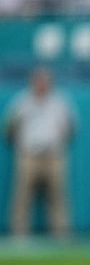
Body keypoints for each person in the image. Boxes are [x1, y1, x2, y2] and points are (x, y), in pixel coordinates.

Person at [3, 66, 77, 237]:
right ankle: (19, 234)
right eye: (38, 81)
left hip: (53, 155)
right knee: (22, 196)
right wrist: (20, 146)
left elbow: (71, 128)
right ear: (32, 82)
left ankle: (62, 234)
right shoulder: (22, 101)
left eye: (45, 81)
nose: (41, 84)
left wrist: (60, 143)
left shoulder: (60, 102)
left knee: (58, 196)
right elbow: (9, 127)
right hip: (29, 154)